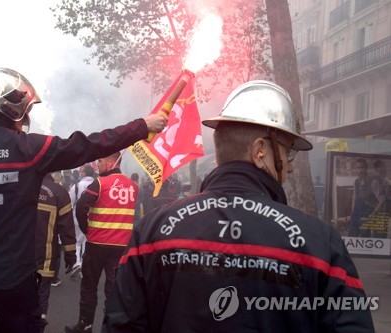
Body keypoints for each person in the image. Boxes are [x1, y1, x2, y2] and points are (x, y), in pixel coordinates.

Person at [102, 80, 375, 332]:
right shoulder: (320, 244)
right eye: (287, 151)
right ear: (260, 150)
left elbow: (120, 324)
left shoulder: (151, 231)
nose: (290, 166)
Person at [0, 67, 167, 333]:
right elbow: (88, 144)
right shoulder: (27, 148)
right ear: (17, 107)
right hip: (15, 280)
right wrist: (141, 127)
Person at [65, 152, 139, 333]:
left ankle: (85, 325)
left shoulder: (100, 183)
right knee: (114, 289)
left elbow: (82, 206)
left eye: (100, 161)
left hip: (97, 244)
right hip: (121, 246)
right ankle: (112, 326)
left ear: (112, 162)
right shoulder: (133, 187)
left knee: (89, 286)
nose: (97, 164)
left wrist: (87, 230)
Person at [35, 173, 76, 333]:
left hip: (20, 258)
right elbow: (67, 228)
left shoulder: (23, 186)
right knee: (42, 293)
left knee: (22, 293)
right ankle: (39, 323)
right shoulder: (59, 193)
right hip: (45, 256)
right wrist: (70, 254)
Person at [68, 163, 96, 278]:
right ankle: (84, 265)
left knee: (77, 241)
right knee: (86, 241)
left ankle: (77, 262)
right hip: (93, 218)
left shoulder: (77, 186)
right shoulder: (97, 185)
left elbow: (70, 202)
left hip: (77, 217)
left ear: (84, 173)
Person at [349, 158, 373, 237]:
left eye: (362, 167)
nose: (360, 170)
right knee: (352, 236)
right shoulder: (356, 181)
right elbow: (354, 198)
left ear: (366, 168)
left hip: (366, 213)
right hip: (356, 213)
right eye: (358, 168)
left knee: (365, 236)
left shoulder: (372, 181)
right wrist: (352, 213)